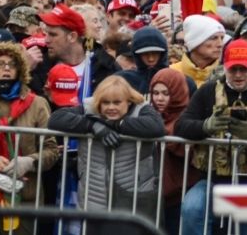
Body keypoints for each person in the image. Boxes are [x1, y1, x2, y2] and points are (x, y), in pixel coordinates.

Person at [176, 38, 247, 235]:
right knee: (191, 208)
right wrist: (205, 126)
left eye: (244, 69)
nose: (238, 75)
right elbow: (182, 125)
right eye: (233, 70)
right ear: (224, 68)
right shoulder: (208, 90)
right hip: (214, 179)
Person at [47, 75, 165, 234]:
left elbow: (156, 127)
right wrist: (92, 125)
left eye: (117, 102)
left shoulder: (141, 108)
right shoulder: (89, 106)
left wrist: (116, 125)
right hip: (94, 199)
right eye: (106, 102)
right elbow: (55, 119)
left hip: (133, 201)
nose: (111, 107)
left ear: (128, 101)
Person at [0, 42, 60, 235]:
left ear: (20, 69)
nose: (6, 68)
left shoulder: (37, 104)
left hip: (25, 198)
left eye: (12, 64)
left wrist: (30, 161)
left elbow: (52, 150)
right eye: (0, 63)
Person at [29, 4, 120, 102]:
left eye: (52, 35)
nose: (46, 40)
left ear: (72, 37)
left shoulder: (106, 66)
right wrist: (25, 71)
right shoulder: (37, 66)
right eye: (46, 34)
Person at [149, 68, 201, 235]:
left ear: (177, 92)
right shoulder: (149, 116)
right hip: (155, 196)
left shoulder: (189, 118)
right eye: (155, 93)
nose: (159, 98)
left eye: (166, 93)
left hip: (180, 194)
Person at [170, 14, 226, 86]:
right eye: (213, 38)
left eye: (222, 38)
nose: (220, 44)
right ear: (195, 42)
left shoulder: (228, 76)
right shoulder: (171, 73)